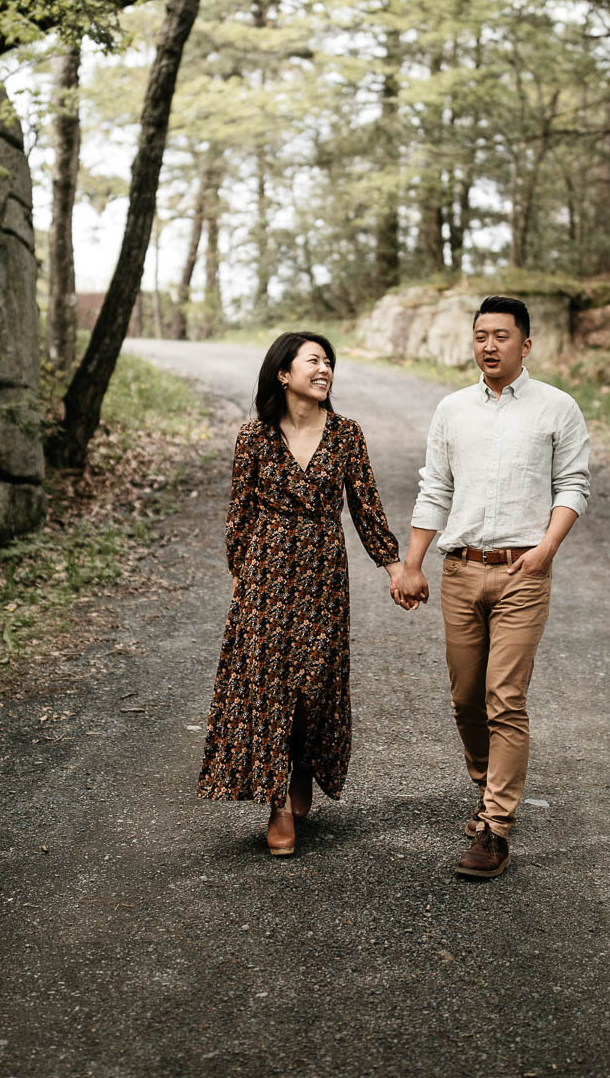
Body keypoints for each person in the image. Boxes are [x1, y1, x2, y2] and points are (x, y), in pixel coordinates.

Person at [393, 295, 590, 879]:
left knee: (506, 698)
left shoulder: (558, 408)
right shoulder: (452, 410)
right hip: (461, 570)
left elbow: (573, 484)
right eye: (481, 335)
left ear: (525, 344)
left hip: (522, 572)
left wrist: (546, 549)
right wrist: (412, 564)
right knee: (465, 698)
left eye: (502, 336)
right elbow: (435, 489)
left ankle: (496, 828)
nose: (489, 345)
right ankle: (487, 789)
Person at [198, 331, 406, 857]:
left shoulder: (347, 435)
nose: (325, 369)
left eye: (329, 362)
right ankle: (278, 805)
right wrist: (242, 581)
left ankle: (304, 767)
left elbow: (367, 509)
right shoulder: (254, 436)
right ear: (283, 374)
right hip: (265, 575)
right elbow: (238, 517)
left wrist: (395, 567)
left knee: (316, 684)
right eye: (313, 360)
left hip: (322, 572)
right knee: (267, 687)